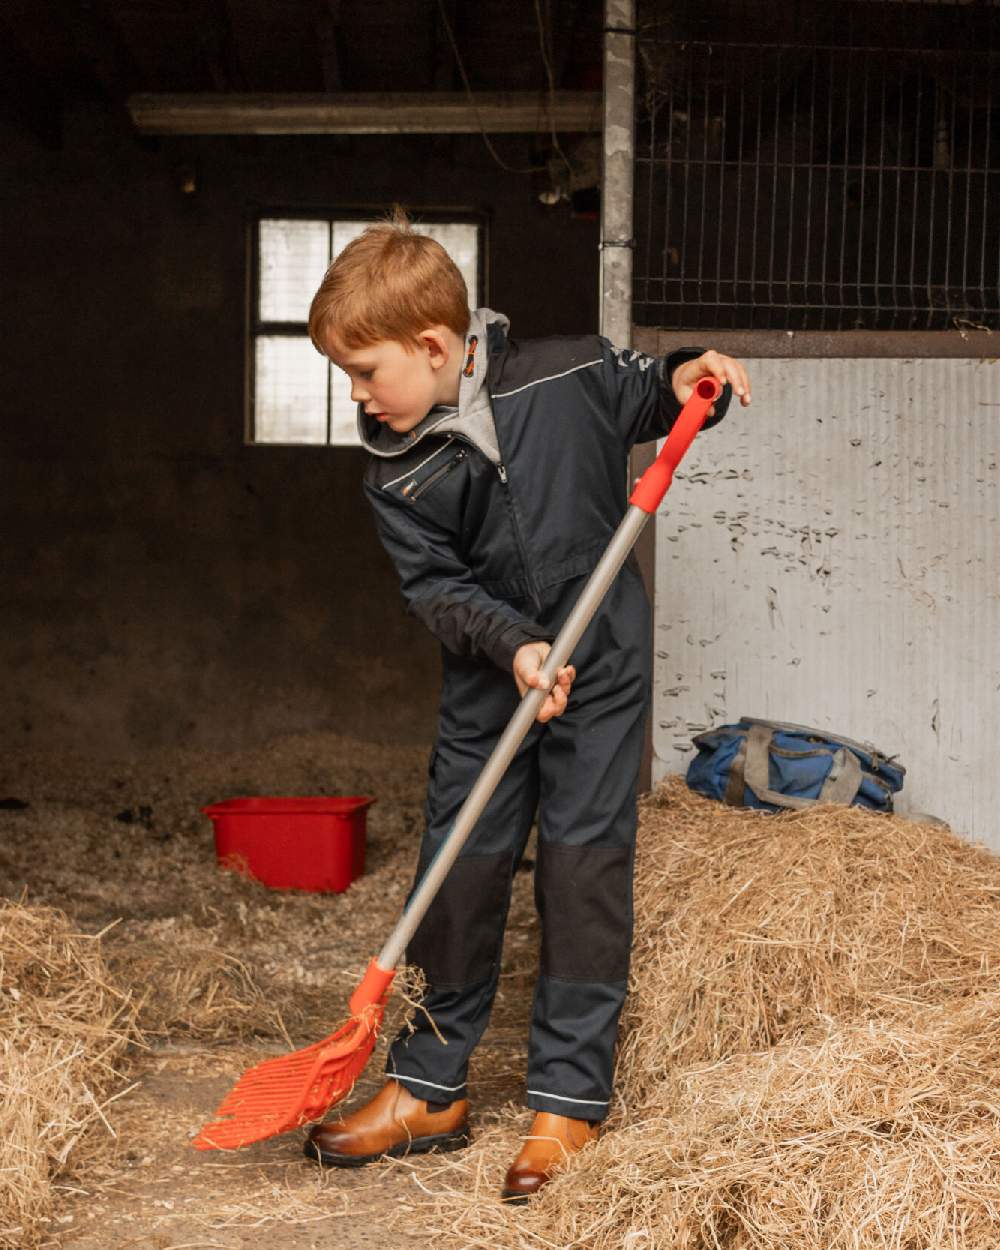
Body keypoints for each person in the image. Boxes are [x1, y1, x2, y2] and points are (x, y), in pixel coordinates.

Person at [302, 212, 751, 1200]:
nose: (358, 395)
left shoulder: (567, 372)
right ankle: (427, 1086)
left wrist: (689, 376)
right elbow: (436, 590)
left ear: (432, 347)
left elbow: (654, 390)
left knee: (584, 866)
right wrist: (513, 645)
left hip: (603, 661)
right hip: (487, 677)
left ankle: (566, 1100)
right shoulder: (394, 462)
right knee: (459, 860)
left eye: (365, 369)